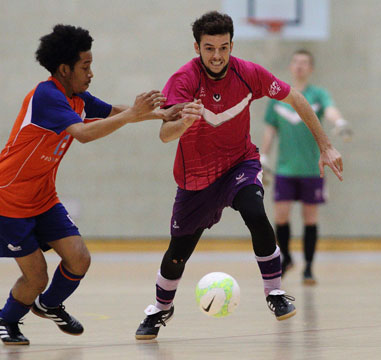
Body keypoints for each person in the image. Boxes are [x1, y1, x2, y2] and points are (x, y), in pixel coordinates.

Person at [134, 12, 344, 340]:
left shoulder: (249, 74)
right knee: (178, 252)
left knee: (257, 214)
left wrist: (326, 146)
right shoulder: (183, 80)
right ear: (197, 47)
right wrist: (183, 123)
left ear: (232, 45)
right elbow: (164, 134)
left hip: (239, 165)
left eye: (223, 47)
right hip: (197, 179)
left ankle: (274, 293)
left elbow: (297, 99)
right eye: (208, 48)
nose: (216, 55)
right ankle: (160, 310)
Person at [0, 24, 179, 345]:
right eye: (86, 66)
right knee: (37, 275)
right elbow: (83, 134)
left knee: (79, 258)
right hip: (7, 199)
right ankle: (6, 319)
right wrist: (136, 115)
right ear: (64, 69)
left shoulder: (77, 97)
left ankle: (49, 305)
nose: (91, 73)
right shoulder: (47, 95)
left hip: (41, 195)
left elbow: (114, 111)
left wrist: (162, 114)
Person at [260, 49, 352, 285]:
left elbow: (330, 110)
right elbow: (271, 129)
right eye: (296, 62)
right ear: (291, 66)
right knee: (280, 216)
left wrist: (339, 121)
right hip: (284, 169)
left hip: (312, 169)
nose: (300, 66)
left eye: (305, 63)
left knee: (310, 218)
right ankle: (287, 258)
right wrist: (264, 157)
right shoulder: (278, 96)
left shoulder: (318, 95)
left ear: (311, 69)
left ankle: (309, 268)